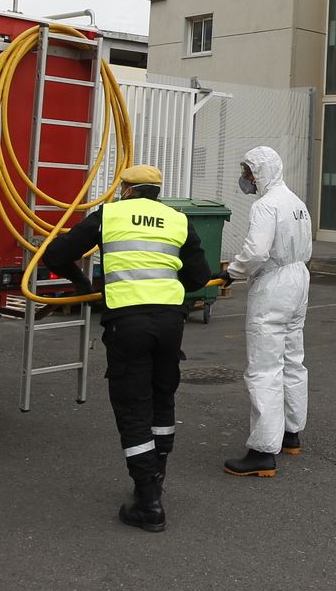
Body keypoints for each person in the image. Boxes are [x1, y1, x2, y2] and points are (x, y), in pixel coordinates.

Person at [41, 163, 212, 532]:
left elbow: (54, 255)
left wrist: (86, 288)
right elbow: (198, 276)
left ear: (128, 191)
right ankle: (158, 477)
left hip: (127, 323)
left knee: (134, 407)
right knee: (162, 398)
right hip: (169, 323)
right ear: (156, 193)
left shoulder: (109, 215)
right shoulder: (177, 220)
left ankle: (148, 502)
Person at [220, 146, 312, 477]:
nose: (246, 179)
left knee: (264, 366)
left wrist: (231, 272)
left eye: (249, 172)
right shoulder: (297, 203)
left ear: (262, 172)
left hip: (273, 282)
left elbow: (256, 251)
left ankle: (262, 450)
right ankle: (291, 432)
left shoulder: (265, 206)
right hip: (299, 278)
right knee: (292, 359)